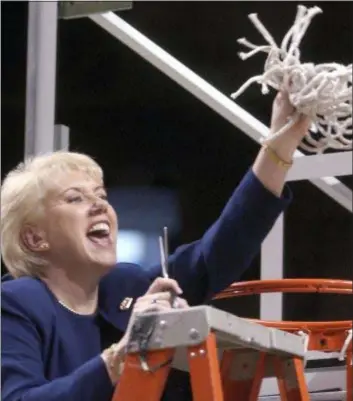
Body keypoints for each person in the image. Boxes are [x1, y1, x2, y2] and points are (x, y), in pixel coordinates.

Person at [1, 91, 310, 401]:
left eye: (101, 195)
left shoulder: (128, 285)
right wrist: (122, 354)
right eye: (75, 198)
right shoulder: (14, 303)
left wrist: (281, 142)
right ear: (34, 238)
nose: (99, 205)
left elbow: (220, 250)